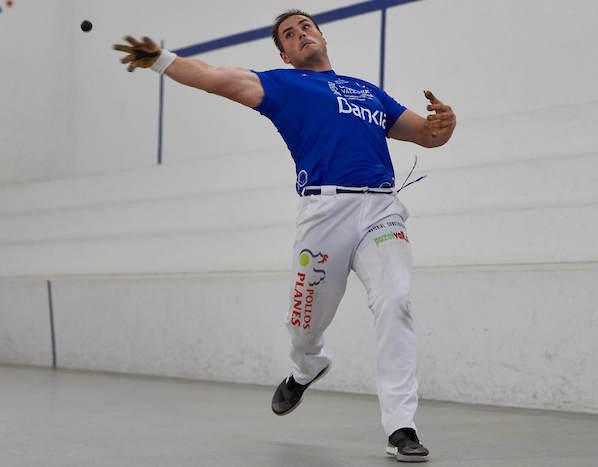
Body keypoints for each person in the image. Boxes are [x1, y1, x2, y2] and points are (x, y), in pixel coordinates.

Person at [113, 9, 455, 462]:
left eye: (306, 26)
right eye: (290, 34)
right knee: (304, 325)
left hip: (380, 210)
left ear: (320, 35)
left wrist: (444, 125)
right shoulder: (282, 85)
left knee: (396, 302)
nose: (301, 34)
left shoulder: (367, 91)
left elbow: (427, 135)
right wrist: (161, 60)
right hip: (323, 213)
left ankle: (402, 427)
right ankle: (306, 366)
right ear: (285, 54)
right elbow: (214, 76)